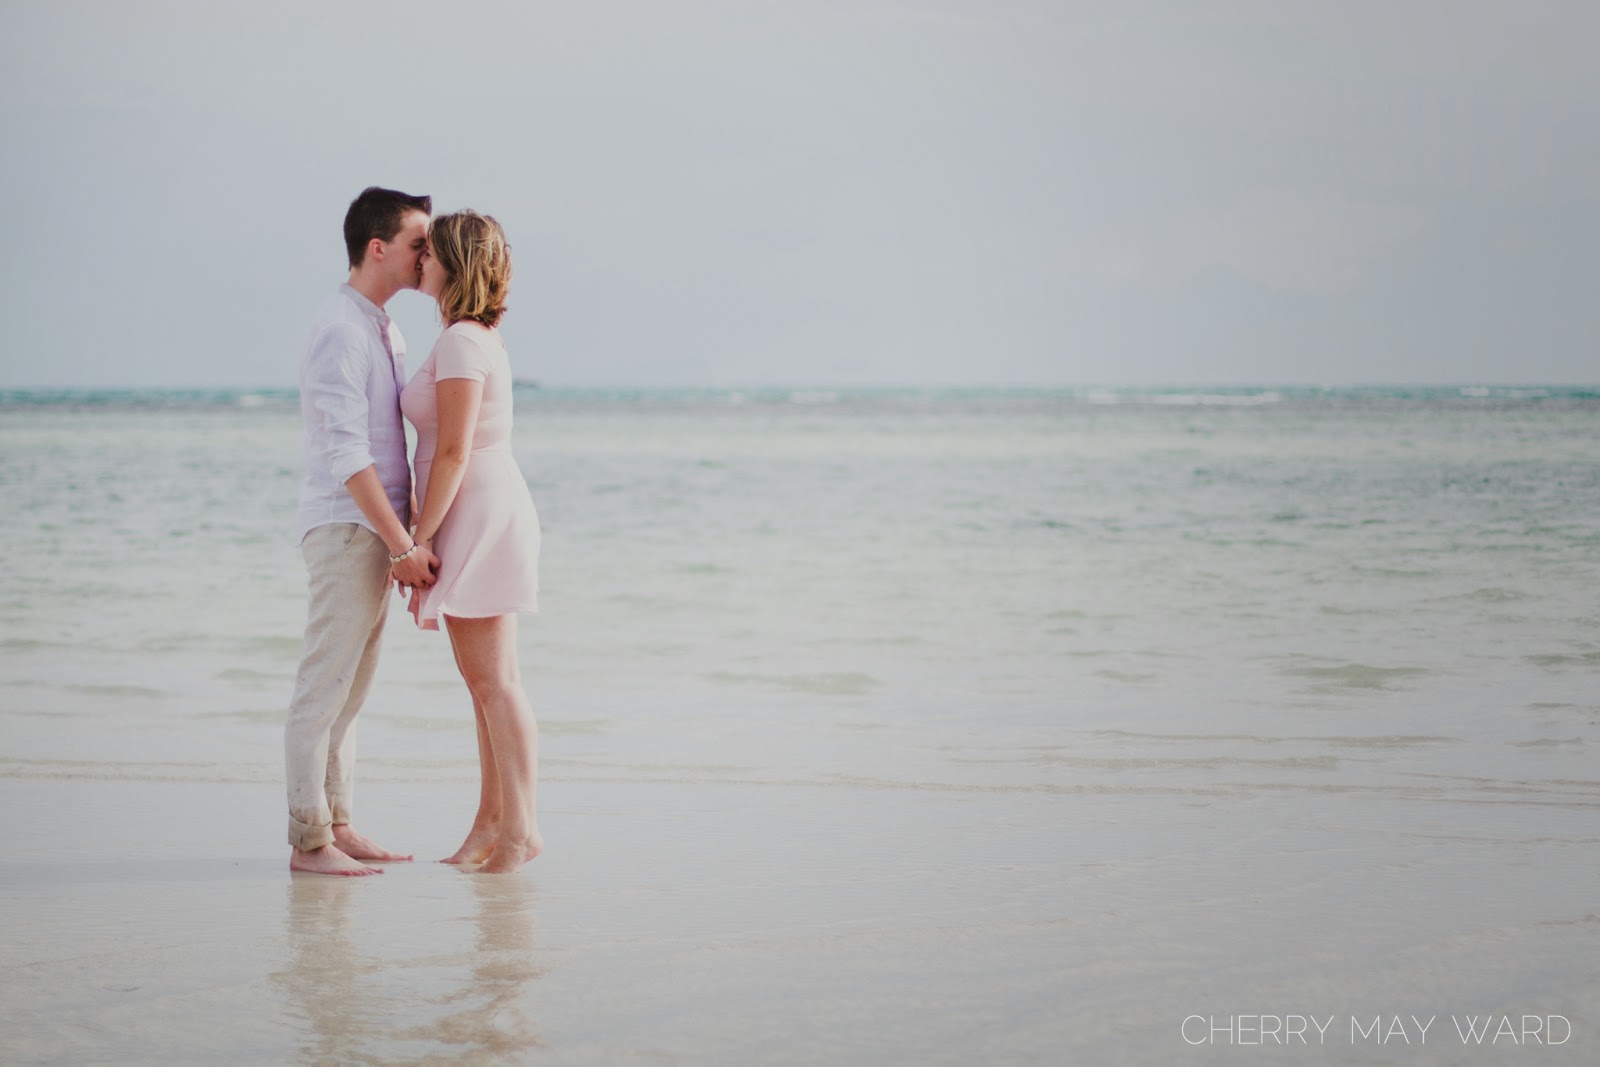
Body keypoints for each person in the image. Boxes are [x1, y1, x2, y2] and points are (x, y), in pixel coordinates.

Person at [286, 186, 441, 877]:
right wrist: (403, 543)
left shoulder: (384, 327)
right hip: (348, 528)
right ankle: (307, 839)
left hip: (377, 532)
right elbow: (350, 455)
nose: (427, 254)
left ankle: (338, 822)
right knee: (323, 688)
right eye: (418, 242)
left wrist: (408, 531)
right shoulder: (340, 328)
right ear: (377, 248)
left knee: (353, 692)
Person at [401, 210, 544, 874]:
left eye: (427, 251)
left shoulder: (463, 340)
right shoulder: (473, 336)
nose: (417, 260)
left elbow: (454, 449)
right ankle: (491, 823)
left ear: (451, 263)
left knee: (496, 684)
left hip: (476, 507)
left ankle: (519, 831)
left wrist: (416, 540)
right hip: (479, 504)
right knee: (487, 682)